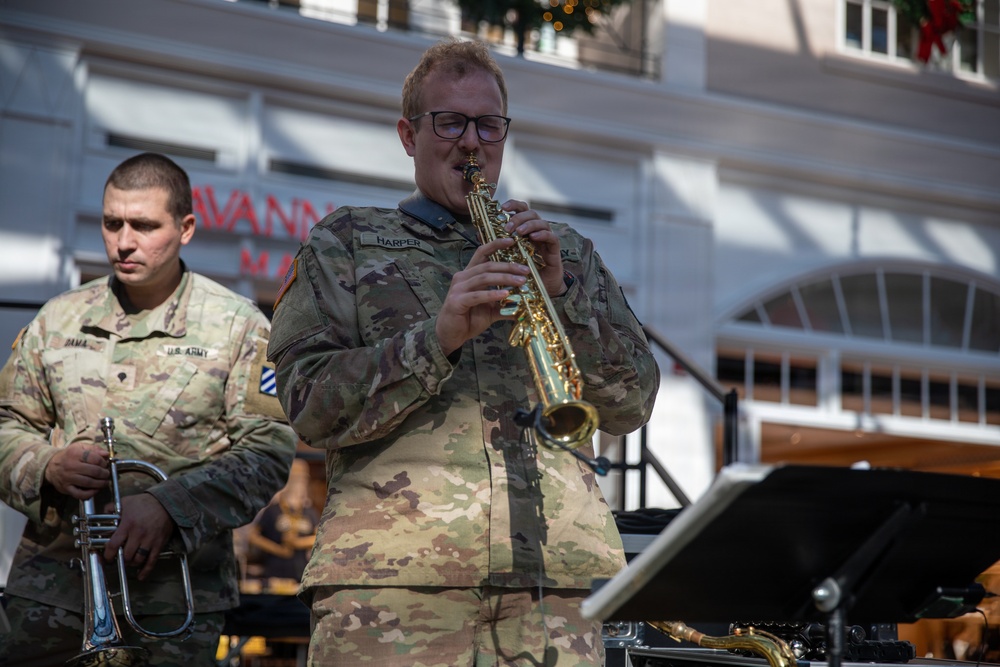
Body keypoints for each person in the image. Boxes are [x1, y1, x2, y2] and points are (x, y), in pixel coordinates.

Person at [267, 38, 659, 667]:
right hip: (391, 585)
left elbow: (631, 401)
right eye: (449, 122)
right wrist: (439, 338)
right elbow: (308, 404)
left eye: (488, 124)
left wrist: (564, 297)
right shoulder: (346, 242)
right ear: (407, 135)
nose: (471, 142)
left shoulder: (569, 252)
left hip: (550, 588)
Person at [0, 152, 297, 666]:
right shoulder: (58, 319)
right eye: (112, 223)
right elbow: (7, 425)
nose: (124, 241)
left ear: (186, 228)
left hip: (171, 608)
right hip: (48, 596)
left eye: (143, 225)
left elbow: (268, 450)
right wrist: (46, 465)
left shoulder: (239, 326)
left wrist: (169, 505)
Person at [246, 457, 318, 586]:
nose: (298, 482)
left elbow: (320, 539)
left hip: (301, 576)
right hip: (274, 574)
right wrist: (277, 549)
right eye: (294, 478)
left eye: (301, 478)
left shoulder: (310, 512)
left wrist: (298, 543)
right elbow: (253, 537)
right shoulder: (273, 510)